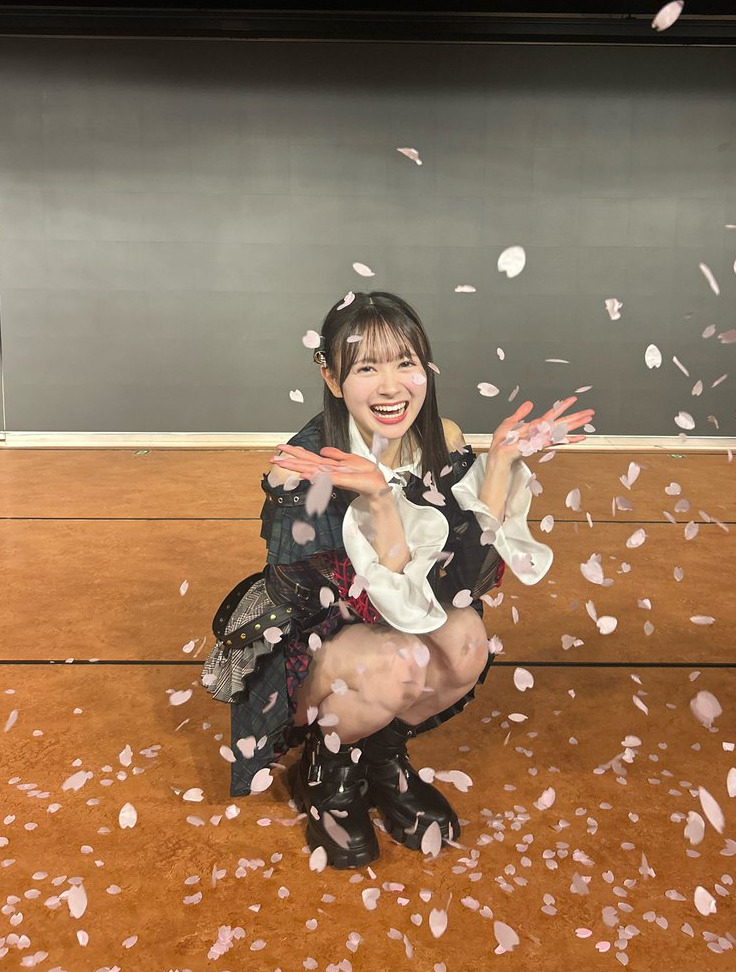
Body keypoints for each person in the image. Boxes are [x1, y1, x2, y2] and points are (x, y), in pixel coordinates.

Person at [203, 290, 594, 868]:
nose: (392, 388)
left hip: (397, 620)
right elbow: (361, 605)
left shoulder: (442, 440)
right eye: (367, 368)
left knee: (467, 642)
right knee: (400, 663)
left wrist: (500, 465)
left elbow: (460, 585)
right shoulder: (304, 469)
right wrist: (380, 502)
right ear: (332, 378)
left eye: (405, 363)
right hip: (310, 643)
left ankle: (382, 756)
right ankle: (328, 768)